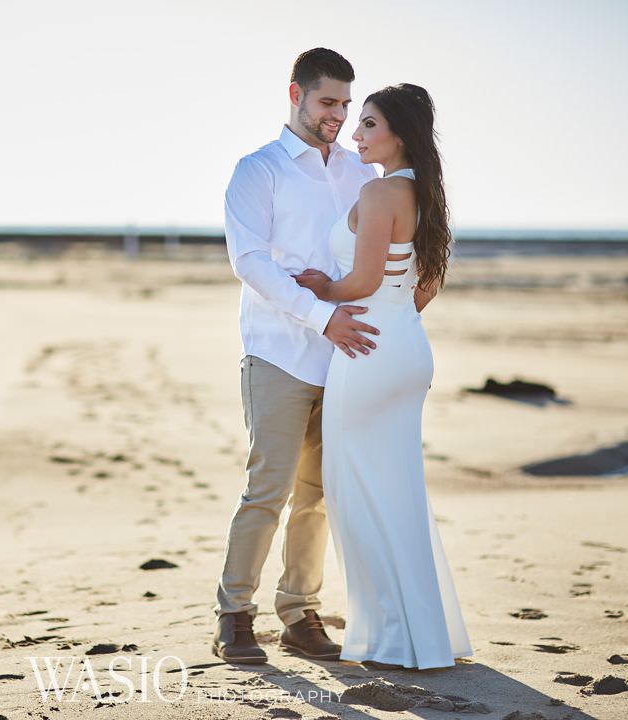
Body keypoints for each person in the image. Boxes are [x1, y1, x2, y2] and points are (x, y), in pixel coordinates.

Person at [293, 83, 473, 669]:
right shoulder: (427, 195)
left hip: (366, 354)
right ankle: (422, 636)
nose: (355, 133)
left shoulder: (379, 193)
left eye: (368, 124)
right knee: (399, 494)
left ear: (398, 133)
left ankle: (393, 639)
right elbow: (422, 286)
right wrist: (391, 320)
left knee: (357, 495)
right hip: (404, 349)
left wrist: (322, 290)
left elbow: (363, 280)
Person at [212, 48, 380, 664]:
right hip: (279, 354)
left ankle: (300, 614)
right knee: (269, 489)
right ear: (296, 94)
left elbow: (365, 259)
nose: (338, 114)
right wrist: (322, 315)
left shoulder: (361, 174)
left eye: (345, 103)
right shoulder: (259, 170)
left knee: (320, 494)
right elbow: (251, 263)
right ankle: (234, 614)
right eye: (327, 101)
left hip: (345, 359)